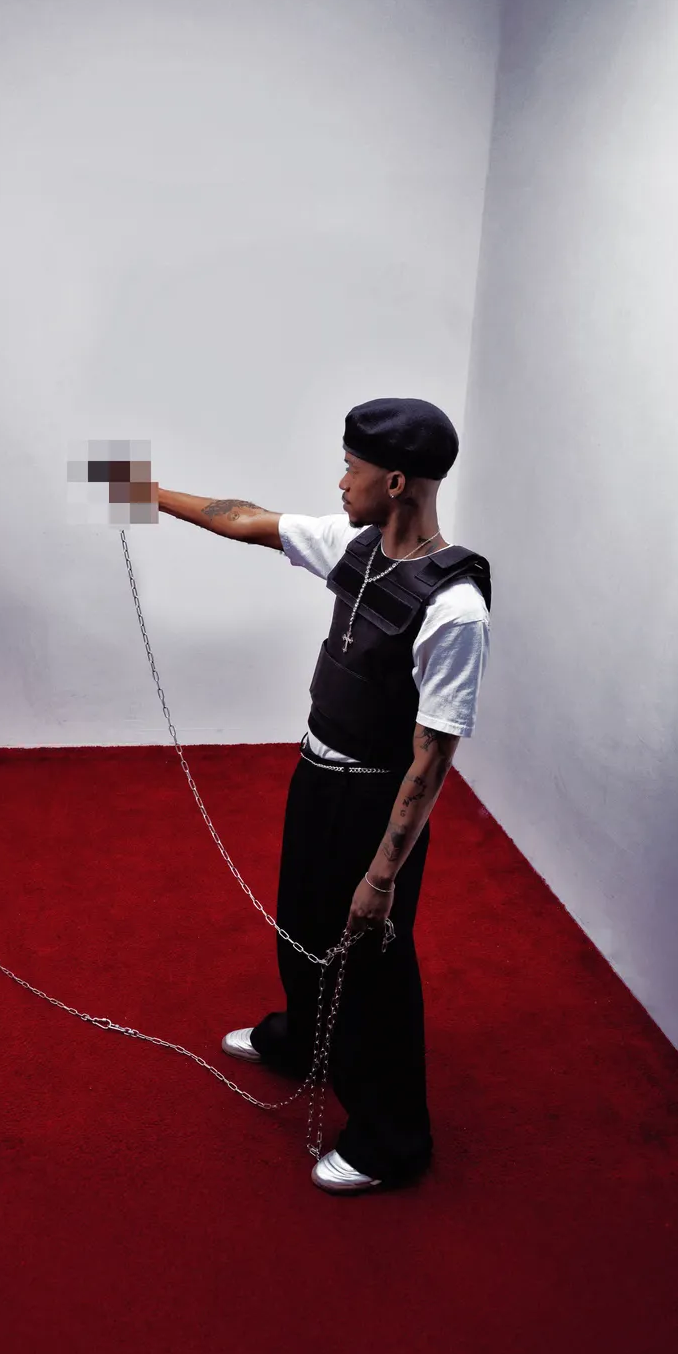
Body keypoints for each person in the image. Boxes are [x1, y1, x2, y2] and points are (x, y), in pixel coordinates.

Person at [157, 397, 490, 1193]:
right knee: (300, 923)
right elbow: (245, 519)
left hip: (376, 803)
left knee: (372, 961)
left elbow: (431, 758)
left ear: (397, 482)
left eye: (352, 469)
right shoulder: (355, 546)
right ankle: (305, 1042)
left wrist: (382, 877)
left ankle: (391, 1140)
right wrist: (144, 492)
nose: (341, 483)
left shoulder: (455, 609)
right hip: (316, 774)